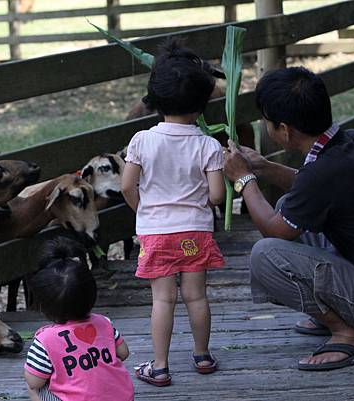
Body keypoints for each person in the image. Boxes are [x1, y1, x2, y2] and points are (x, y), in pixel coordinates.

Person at [223, 66, 354, 371]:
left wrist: (244, 180)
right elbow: (314, 190)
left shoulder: (323, 173)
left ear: (285, 130)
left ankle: (348, 332)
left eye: (266, 123)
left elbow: (273, 230)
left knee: (264, 255)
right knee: (287, 204)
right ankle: (340, 311)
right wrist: (263, 167)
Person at [121, 38, 226, 386]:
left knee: (162, 299)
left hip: (155, 232)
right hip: (195, 232)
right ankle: (203, 355)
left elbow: (126, 187)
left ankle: (161, 366)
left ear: (155, 99)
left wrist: (144, 211)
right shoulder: (209, 145)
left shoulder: (141, 141)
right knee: (196, 295)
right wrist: (201, 205)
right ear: (200, 104)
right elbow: (216, 195)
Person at [23, 237, 134, 401]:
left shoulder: (45, 340)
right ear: (91, 296)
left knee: (33, 389)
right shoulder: (104, 323)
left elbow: (34, 381)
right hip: (122, 397)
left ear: (43, 306)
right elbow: (123, 353)